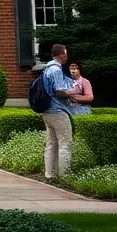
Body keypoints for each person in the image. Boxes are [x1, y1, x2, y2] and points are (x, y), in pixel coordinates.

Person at [41, 43, 77, 180]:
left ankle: (49, 175)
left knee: (51, 143)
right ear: (61, 54)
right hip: (57, 110)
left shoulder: (47, 69)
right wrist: (71, 93)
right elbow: (58, 91)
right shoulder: (55, 69)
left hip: (47, 111)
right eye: (65, 53)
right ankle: (65, 176)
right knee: (65, 142)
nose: (67, 56)